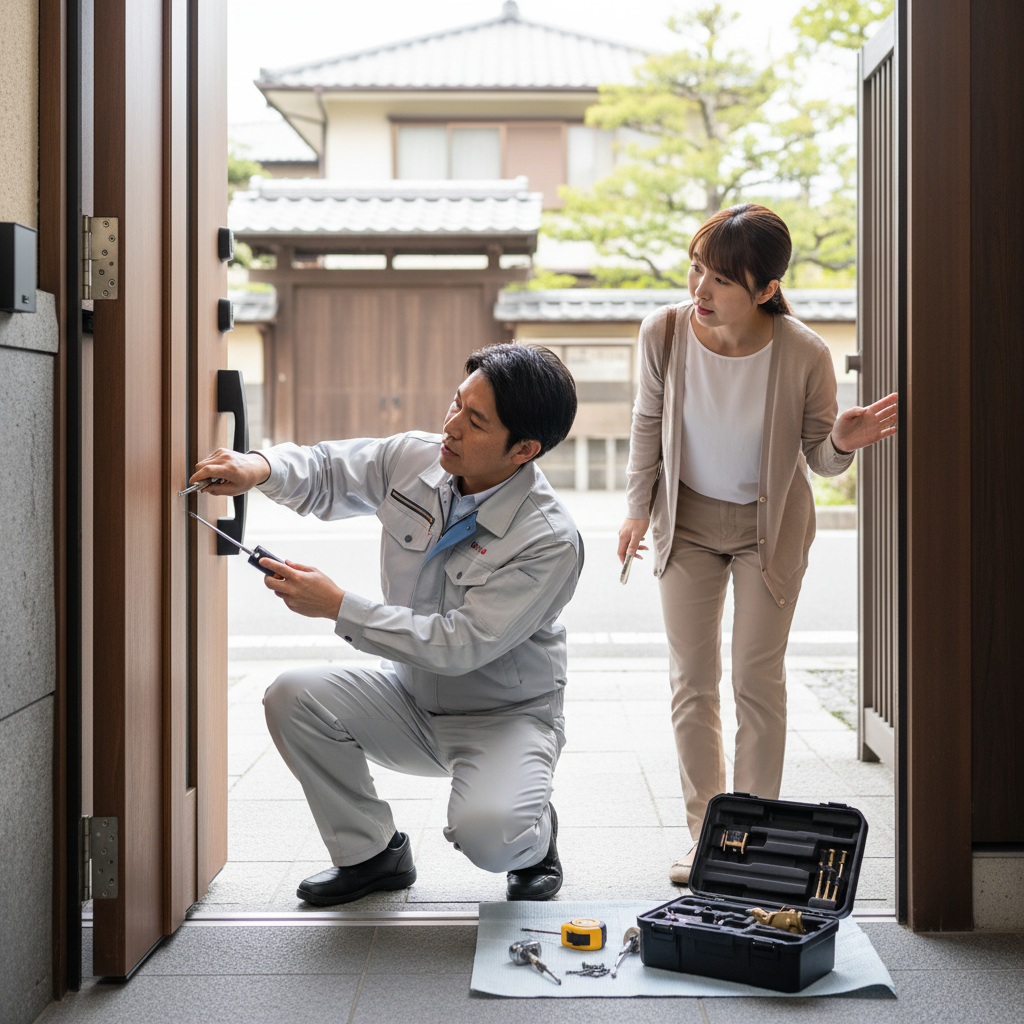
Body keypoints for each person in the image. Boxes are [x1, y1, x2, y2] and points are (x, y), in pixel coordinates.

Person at [190, 344, 581, 904]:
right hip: (409, 696)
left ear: (524, 449)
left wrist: (338, 605)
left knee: (491, 839)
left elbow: (460, 644)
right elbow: (328, 471)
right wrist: (260, 467)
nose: (450, 425)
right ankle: (373, 856)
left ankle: (534, 835)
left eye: (474, 421)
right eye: (455, 403)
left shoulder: (548, 539)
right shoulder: (415, 459)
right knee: (292, 697)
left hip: (503, 719)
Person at [617, 204, 897, 885]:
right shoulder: (664, 332)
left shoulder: (803, 351)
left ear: (765, 290)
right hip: (686, 523)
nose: (700, 291)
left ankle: (746, 837)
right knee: (693, 683)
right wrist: (634, 511)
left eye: (719, 280)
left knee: (756, 682)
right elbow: (646, 427)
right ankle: (705, 835)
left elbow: (821, 461)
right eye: (696, 271)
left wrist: (841, 442)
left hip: (768, 533)